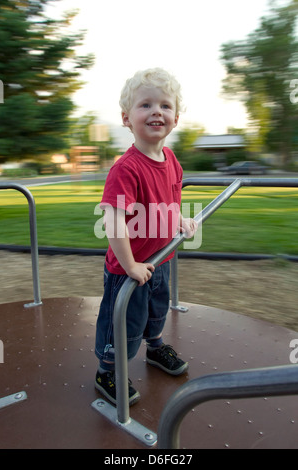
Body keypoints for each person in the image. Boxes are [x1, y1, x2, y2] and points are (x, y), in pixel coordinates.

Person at [94, 68, 197, 406]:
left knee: (156, 310)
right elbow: (114, 221)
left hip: (160, 260)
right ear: (126, 118)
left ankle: (155, 347)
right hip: (129, 268)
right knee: (122, 320)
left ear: (176, 118)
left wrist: (179, 219)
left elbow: (171, 197)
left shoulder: (171, 160)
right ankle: (107, 370)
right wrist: (131, 265)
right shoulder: (126, 168)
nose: (157, 112)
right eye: (146, 105)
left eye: (165, 106)